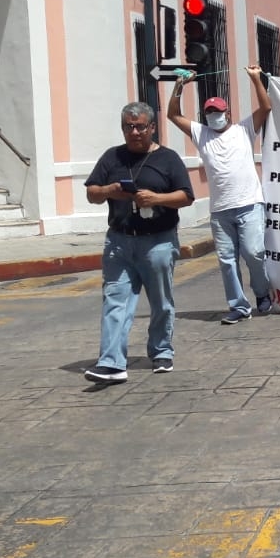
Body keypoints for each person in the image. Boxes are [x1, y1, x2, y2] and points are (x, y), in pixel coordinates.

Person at [82, 102, 195, 384]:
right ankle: (111, 363)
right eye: (129, 127)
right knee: (115, 301)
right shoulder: (112, 157)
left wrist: (156, 199)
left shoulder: (168, 159)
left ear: (152, 128)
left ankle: (161, 350)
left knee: (161, 301)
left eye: (140, 126)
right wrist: (109, 191)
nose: (134, 132)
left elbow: (186, 196)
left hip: (157, 242)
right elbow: (92, 193)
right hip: (119, 242)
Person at [168, 65, 273, 324]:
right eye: (209, 112)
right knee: (227, 261)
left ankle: (262, 292)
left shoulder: (243, 130)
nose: (214, 116)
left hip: (249, 204)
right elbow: (172, 115)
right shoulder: (200, 134)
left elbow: (266, 108)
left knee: (254, 252)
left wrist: (256, 79)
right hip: (220, 211)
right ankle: (238, 306)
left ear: (228, 113)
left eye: (218, 112)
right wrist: (179, 85)